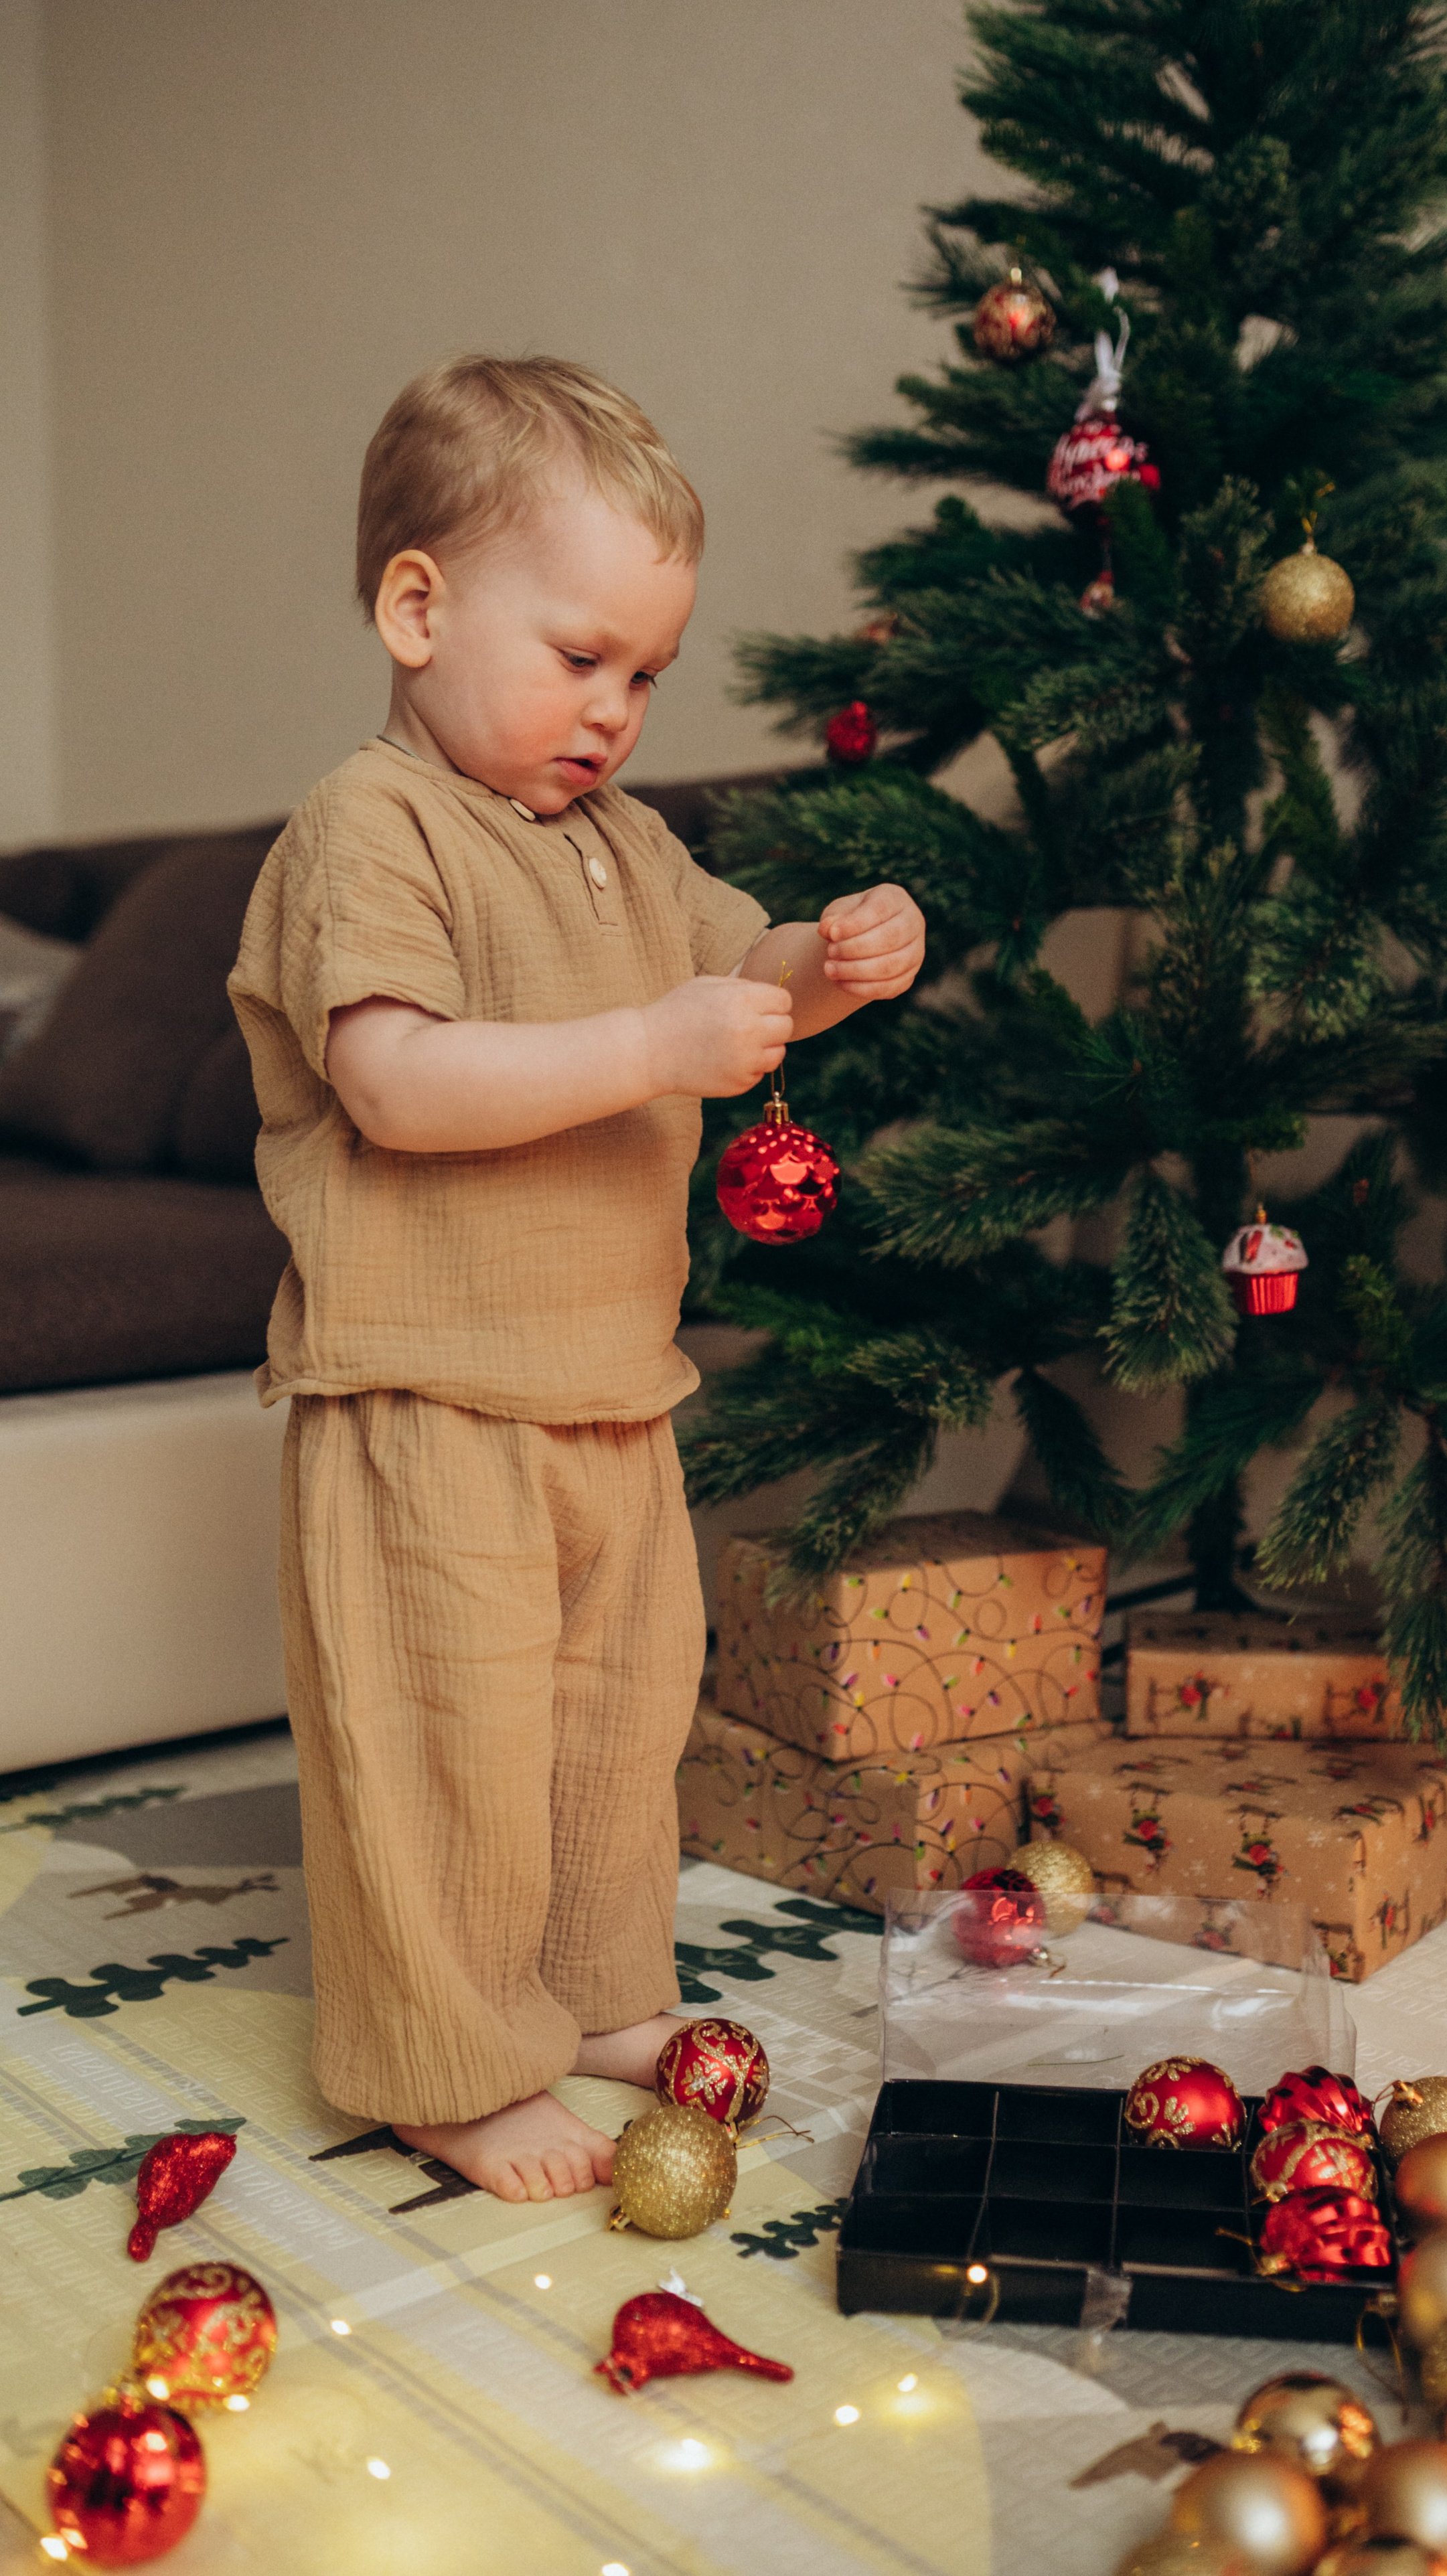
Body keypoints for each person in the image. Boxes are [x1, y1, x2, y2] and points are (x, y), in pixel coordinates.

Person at [230, 355, 925, 2202]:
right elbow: (394, 1081)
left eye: (646, 675)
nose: (614, 712)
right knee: (448, 1739)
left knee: (619, 1726)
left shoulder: (626, 846)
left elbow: (743, 986)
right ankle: (445, 2058)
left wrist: (837, 962)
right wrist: (652, 1046)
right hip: (425, 1389)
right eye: (580, 658)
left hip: (613, 1384)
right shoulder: (369, 832)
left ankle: (593, 1983)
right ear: (417, 606)